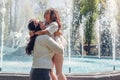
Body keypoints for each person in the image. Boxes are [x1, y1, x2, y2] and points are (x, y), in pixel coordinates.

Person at [33, 8, 67, 80]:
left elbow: (46, 32)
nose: (45, 16)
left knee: (59, 72)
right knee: (50, 71)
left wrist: (35, 33)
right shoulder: (47, 24)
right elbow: (38, 26)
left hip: (58, 48)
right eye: (44, 14)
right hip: (51, 49)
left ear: (53, 15)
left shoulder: (54, 24)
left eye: (47, 14)